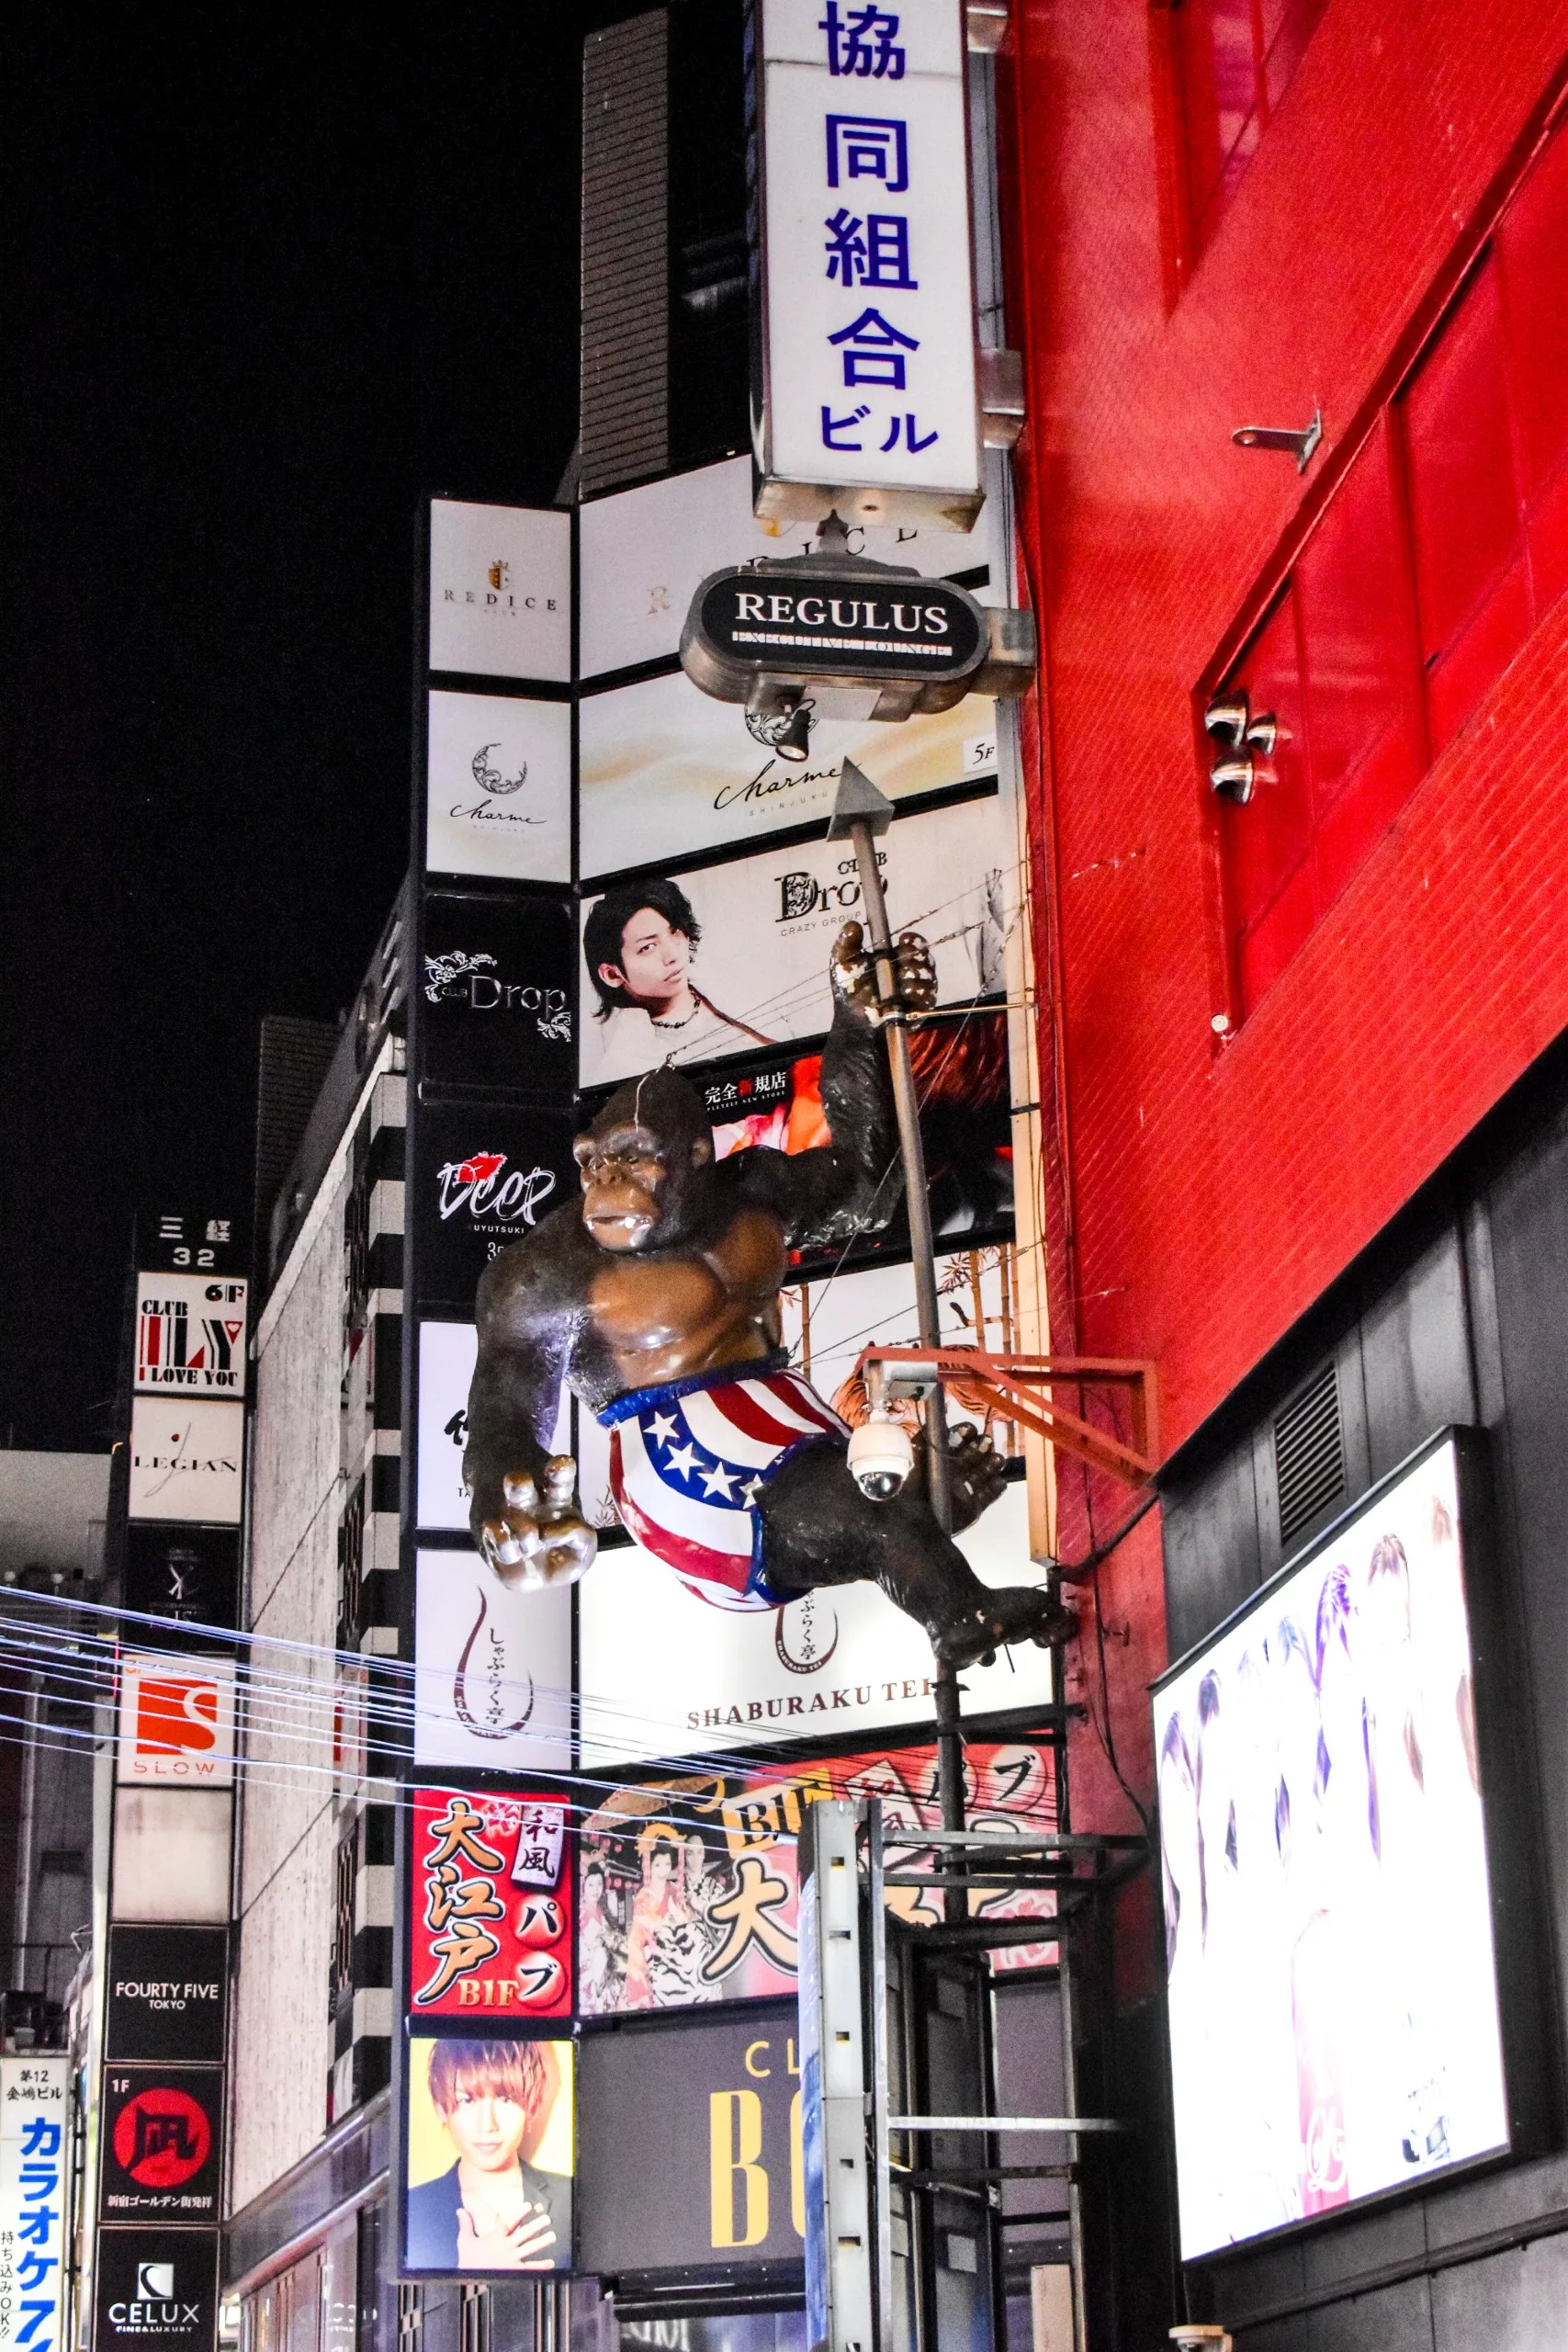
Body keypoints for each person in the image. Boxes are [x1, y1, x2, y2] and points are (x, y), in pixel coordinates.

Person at [581, 878, 774, 1073]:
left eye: (674, 933)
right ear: (612, 974)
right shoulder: (624, 1059)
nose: (672, 955)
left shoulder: (737, 982)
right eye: (648, 947)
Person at [405, 2041, 568, 2271]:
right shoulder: (414, 2209)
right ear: (440, 2107)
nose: (487, 2125)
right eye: (468, 2100)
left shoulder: (570, 2199)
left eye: (505, 2099)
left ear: (532, 2107)